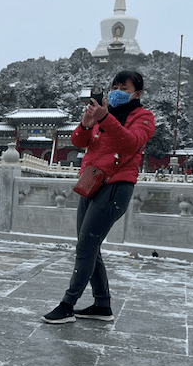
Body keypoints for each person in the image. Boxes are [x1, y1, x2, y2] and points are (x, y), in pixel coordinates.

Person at [42, 70, 155, 324]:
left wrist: (105, 119)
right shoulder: (105, 115)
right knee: (89, 245)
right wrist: (86, 123)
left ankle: (67, 304)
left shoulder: (143, 117)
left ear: (137, 92)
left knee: (86, 246)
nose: (118, 91)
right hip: (91, 182)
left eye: (124, 88)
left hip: (116, 185)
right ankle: (102, 304)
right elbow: (78, 141)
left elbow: (130, 142)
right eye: (115, 86)